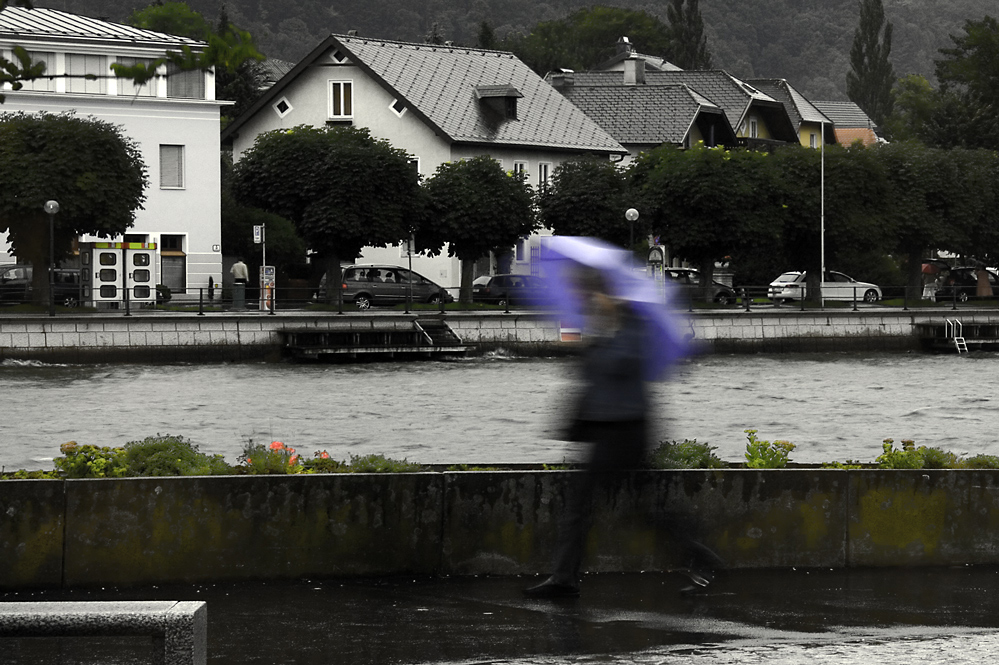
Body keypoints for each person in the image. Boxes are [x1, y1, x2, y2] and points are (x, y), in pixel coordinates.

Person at [524, 268, 720, 599]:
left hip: (628, 427)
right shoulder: (600, 324)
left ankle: (701, 556)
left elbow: (632, 361)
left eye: (590, 295)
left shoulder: (635, 324)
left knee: (639, 508)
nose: (584, 301)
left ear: (608, 293)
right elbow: (590, 372)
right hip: (603, 428)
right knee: (601, 505)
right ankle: (564, 577)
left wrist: (602, 341)